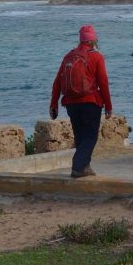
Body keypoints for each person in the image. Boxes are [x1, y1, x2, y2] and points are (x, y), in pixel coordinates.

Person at [50, 24, 113, 178]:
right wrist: (108, 106)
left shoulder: (68, 56)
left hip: (71, 103)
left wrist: (53, 104)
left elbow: (57, 81)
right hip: (90, 102)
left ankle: (85, 167)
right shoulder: (96, 56)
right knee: (90, 137)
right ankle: (78, 166)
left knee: (80, 136)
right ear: (93, 40)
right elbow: (103, 83)